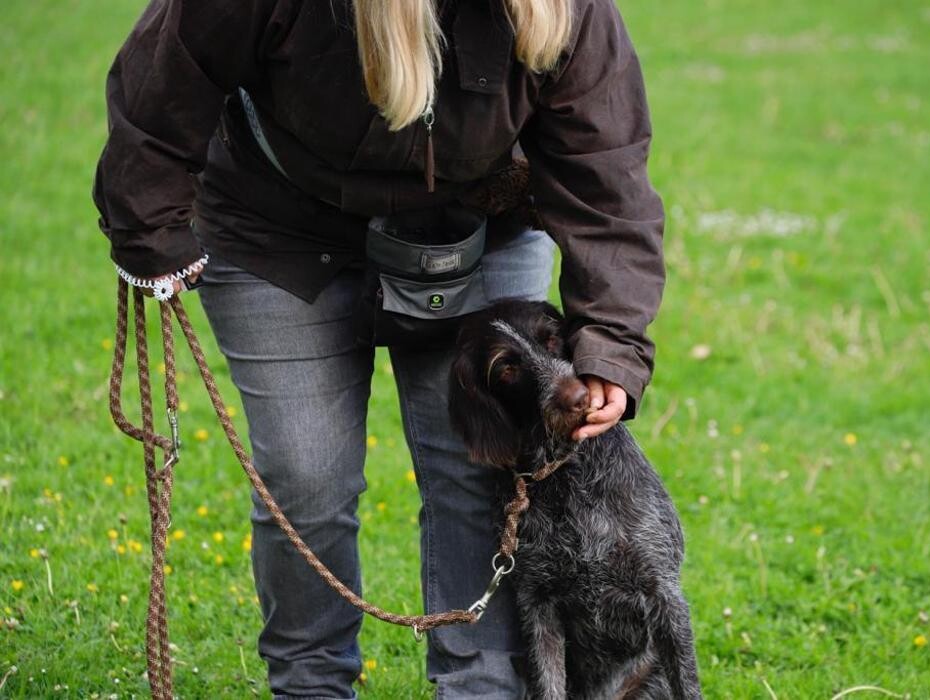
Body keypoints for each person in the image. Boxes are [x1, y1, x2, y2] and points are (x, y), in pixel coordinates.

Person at [93, 0, 665, 696]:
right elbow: (164, 79)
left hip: (477, 226)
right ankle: (310, 686)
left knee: (475, 472)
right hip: (278, 234)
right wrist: (149, 231)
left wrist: (610, 342)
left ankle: (480, 687)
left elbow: (604, 166)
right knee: (307, 477)